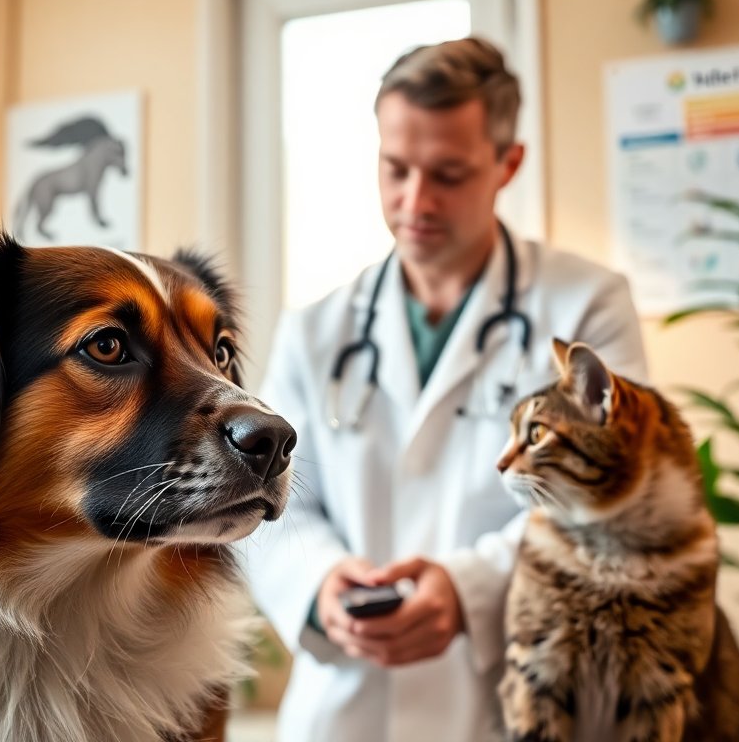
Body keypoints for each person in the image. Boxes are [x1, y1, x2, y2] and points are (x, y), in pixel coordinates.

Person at [240, 37, 648, 741]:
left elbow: (615, 497)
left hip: (519, 704)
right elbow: (275, 503)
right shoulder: (314, 331)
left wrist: (469, 590)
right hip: (345, 709)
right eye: (394, 169)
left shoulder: (587, 307)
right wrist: (321, 586)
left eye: (449, 173)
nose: (414, 201)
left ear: (507, 164)